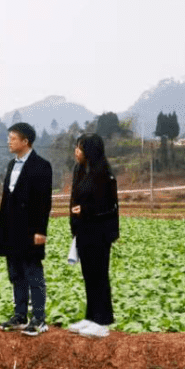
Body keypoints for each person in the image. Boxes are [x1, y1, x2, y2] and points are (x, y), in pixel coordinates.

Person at [0, 122, 53, 336]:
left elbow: (44, 202)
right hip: (11, 229)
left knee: (33, 273)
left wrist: (41, 231)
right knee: (16, 273)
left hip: (30, 230)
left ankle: (39, 319)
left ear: (25, 141)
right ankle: (20, 315)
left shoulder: (41, 166)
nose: (8, 141)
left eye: (12, 138)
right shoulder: (12, 165)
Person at [68, 133, 119, 337]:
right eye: (77, 147)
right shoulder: (80, 170)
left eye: (80, 148)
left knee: (99, 274)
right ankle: (91, 317)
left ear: (91, 151)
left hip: (100, 232)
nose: (77, 151)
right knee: (88, 275)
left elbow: (109, 205)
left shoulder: (103, 173)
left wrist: (86, 210)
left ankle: (102, 320)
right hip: (84, 231)